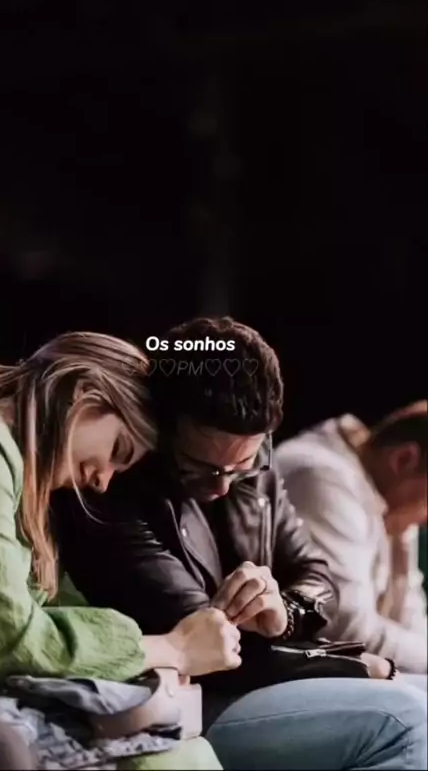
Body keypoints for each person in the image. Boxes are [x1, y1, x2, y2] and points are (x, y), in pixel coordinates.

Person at [52, 317, 427, 771]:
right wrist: (354, 664)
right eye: (199, 467)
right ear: (158, 428)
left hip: (266, 678)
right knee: (408, 718)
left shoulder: (254, 470)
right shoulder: (115, 492)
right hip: (190, 699)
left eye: (243, 465)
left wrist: (285, 612)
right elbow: (214, 649)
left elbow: (316, 575)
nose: (223, 486)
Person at [0, 331, 245, 771]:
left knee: (180, 751)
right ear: (82, 393)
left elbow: (50, 612)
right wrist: (172, 648)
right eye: (118, 450)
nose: (103, 482)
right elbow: (12, 642)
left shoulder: (22, 473)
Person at [275, 403, 427, 676]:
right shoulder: (320, 477)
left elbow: (410, 619)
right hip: (279, 668)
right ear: (404, 459)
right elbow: (348, 629)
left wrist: (401, 542)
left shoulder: (392, 497)